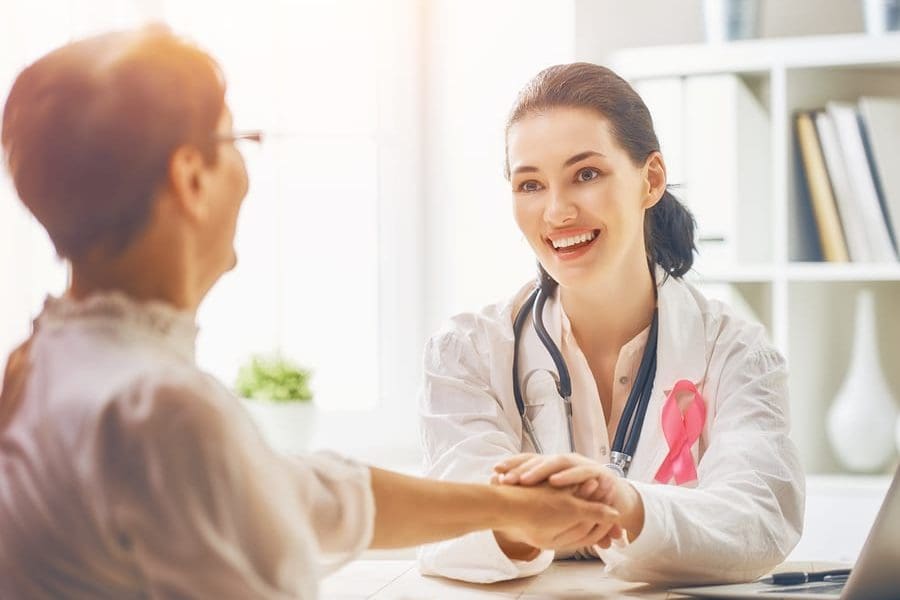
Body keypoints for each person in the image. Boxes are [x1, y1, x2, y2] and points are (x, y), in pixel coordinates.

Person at [0, 29, 622, 599]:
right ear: (191, 177)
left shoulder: (43, 365)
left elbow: (298, 494)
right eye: (236, 141)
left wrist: (509, 508)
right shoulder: (162, 411)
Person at [417, 62, 805, 585]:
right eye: (530, 184)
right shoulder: (467, 351)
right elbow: (445, 520)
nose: (556, 212)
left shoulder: (735, 352)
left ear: (651, 180)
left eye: (586, 174)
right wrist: (522, 519)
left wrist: (626, 505)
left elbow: (760, 517)